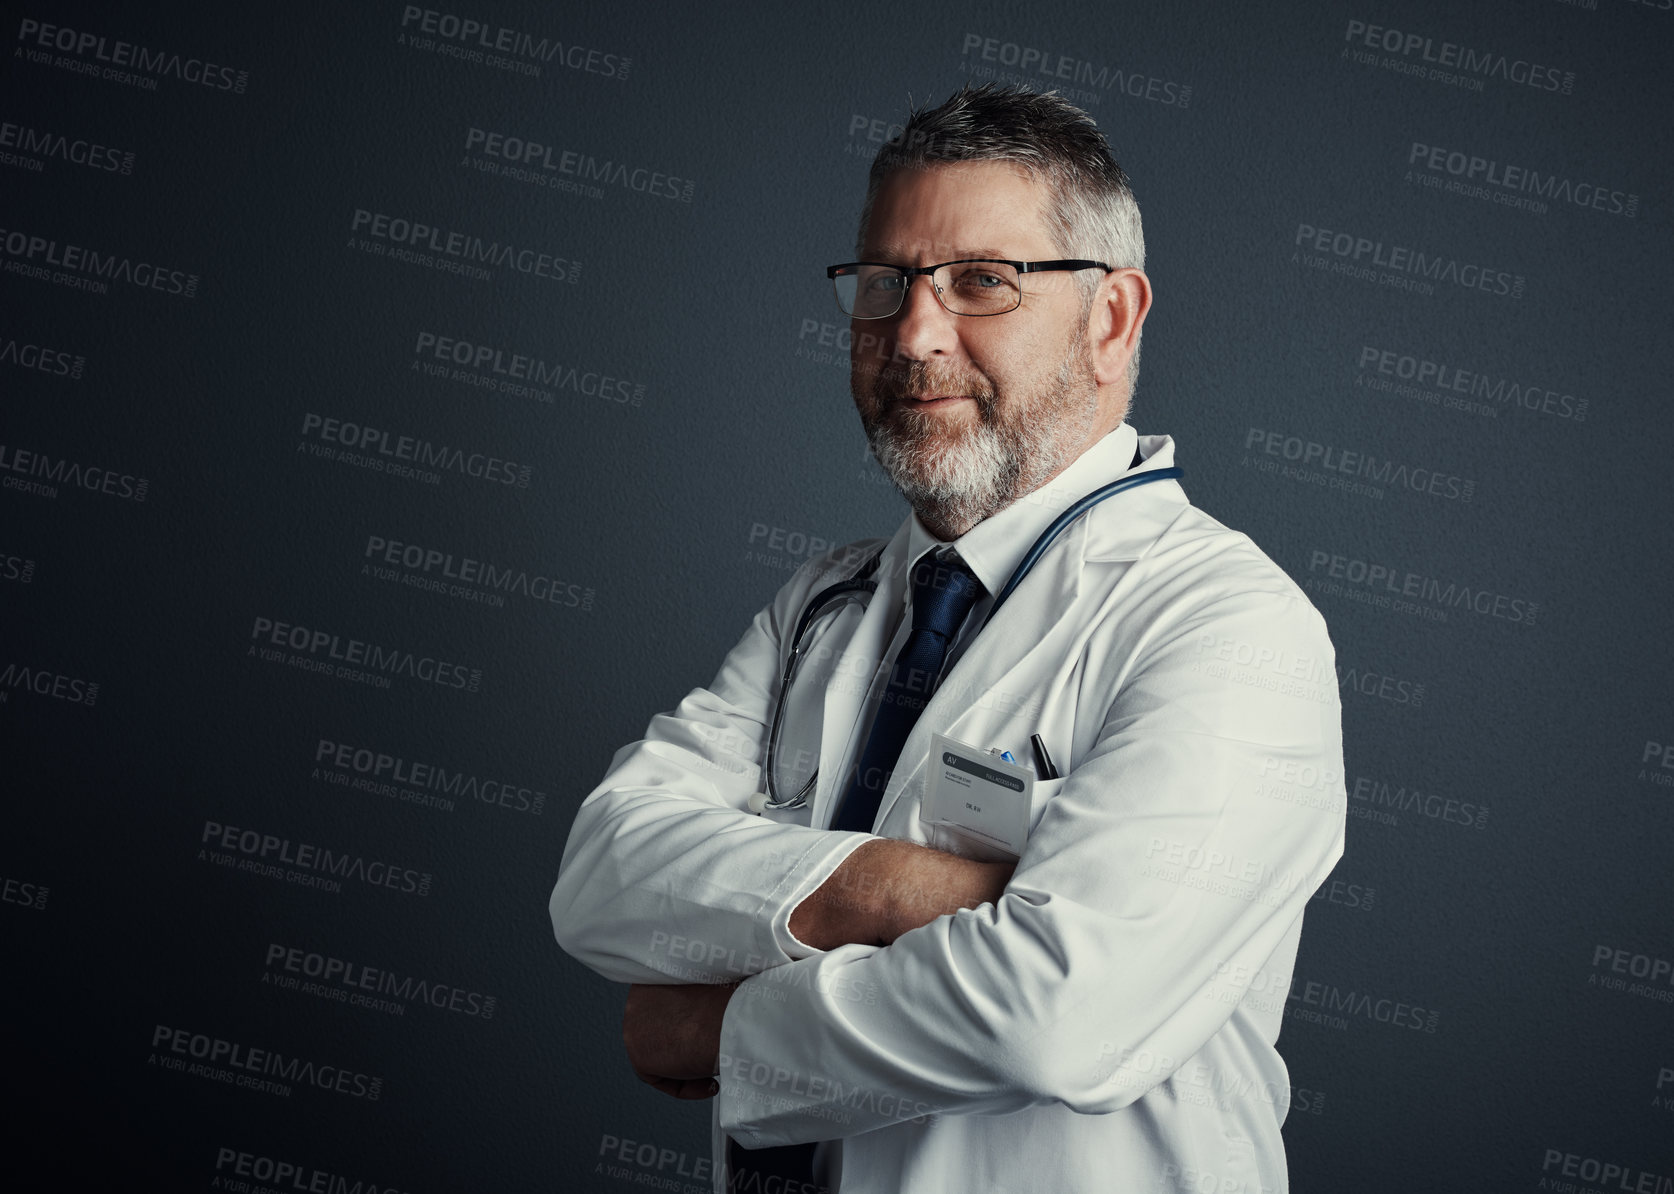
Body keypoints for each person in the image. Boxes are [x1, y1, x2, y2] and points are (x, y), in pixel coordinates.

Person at [551, 84, 1346, 1194]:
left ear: (1111, 319)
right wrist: (893, 889)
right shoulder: (822, 603)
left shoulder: (1224, 626)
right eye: (886, 284)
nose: (914, 334)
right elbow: (600, 878)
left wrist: (718, 1036)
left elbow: (1058, 1016)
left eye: (982, 281)